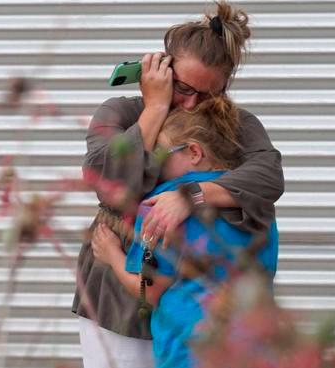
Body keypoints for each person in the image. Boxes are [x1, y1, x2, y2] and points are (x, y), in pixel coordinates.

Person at [72, 0, 284, 368]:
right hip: (119, 302)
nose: (190, 105)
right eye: (183, 87)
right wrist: (154, 110)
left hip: (198, 310)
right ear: (162, 68)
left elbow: (269, 174)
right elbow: (106, 181)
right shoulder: (121, 112)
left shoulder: (235, 124)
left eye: (208, 94)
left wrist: (192, 195)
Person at [91, 96, 279, 368]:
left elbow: (150, 291)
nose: (154, 167)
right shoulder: (257, 203)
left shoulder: (163, 205)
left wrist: (111, 255)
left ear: (194, 152)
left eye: (160, 155)